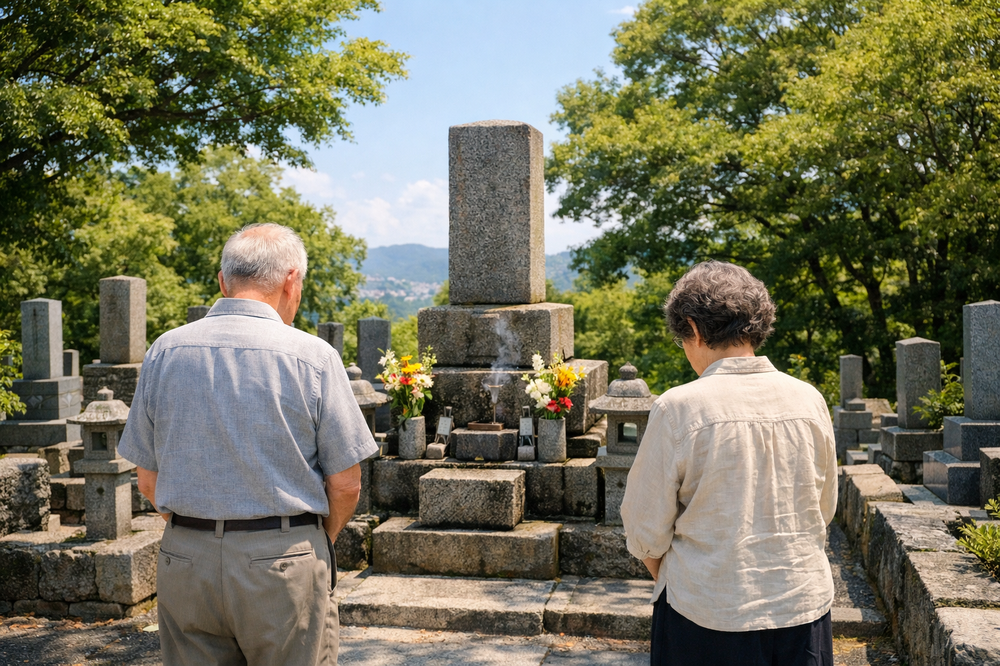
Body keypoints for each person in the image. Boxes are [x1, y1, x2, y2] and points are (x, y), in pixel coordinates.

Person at [120, 223, 377, 666]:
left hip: (186, 556)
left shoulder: (165, 351)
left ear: (223, 281)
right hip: (283, 559)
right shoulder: (313, 356)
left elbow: (147, 479)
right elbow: (346, 484)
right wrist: (317, 540)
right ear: (291, 281)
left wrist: (198, 527)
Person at [621, 261, 837, 666]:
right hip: (802, 609)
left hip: (705, 613)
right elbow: (823, 509)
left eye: (682, 340)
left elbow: (645, 529)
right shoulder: (809, 399)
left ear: (694, 329)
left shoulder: (678, 408)